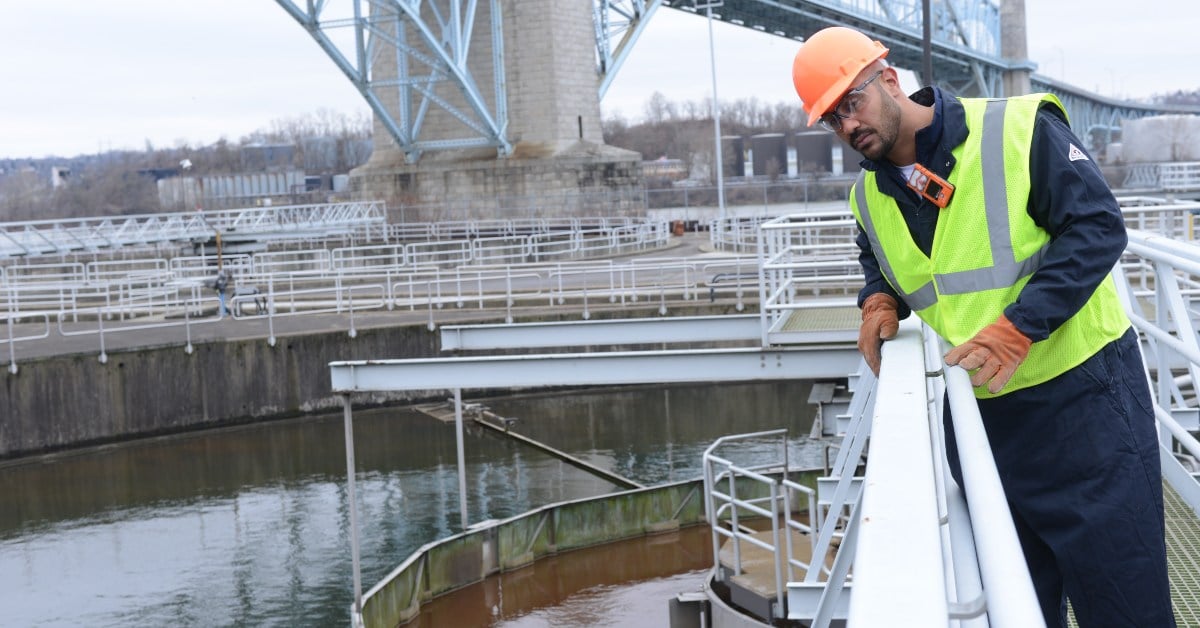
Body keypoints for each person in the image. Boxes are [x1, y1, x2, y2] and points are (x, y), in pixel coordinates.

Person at [790, 26, 1174, 627]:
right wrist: (877, 301)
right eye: (831, 118)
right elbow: (878, 255)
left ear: (889, 80)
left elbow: (1098, 227)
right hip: (987, 424)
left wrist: (1020, 326)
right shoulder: (869, 198)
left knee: (1125, 607)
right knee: (1019, 606)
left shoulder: (1016, 130)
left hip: (1088, 406)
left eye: (852, 102)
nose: (847, 125)